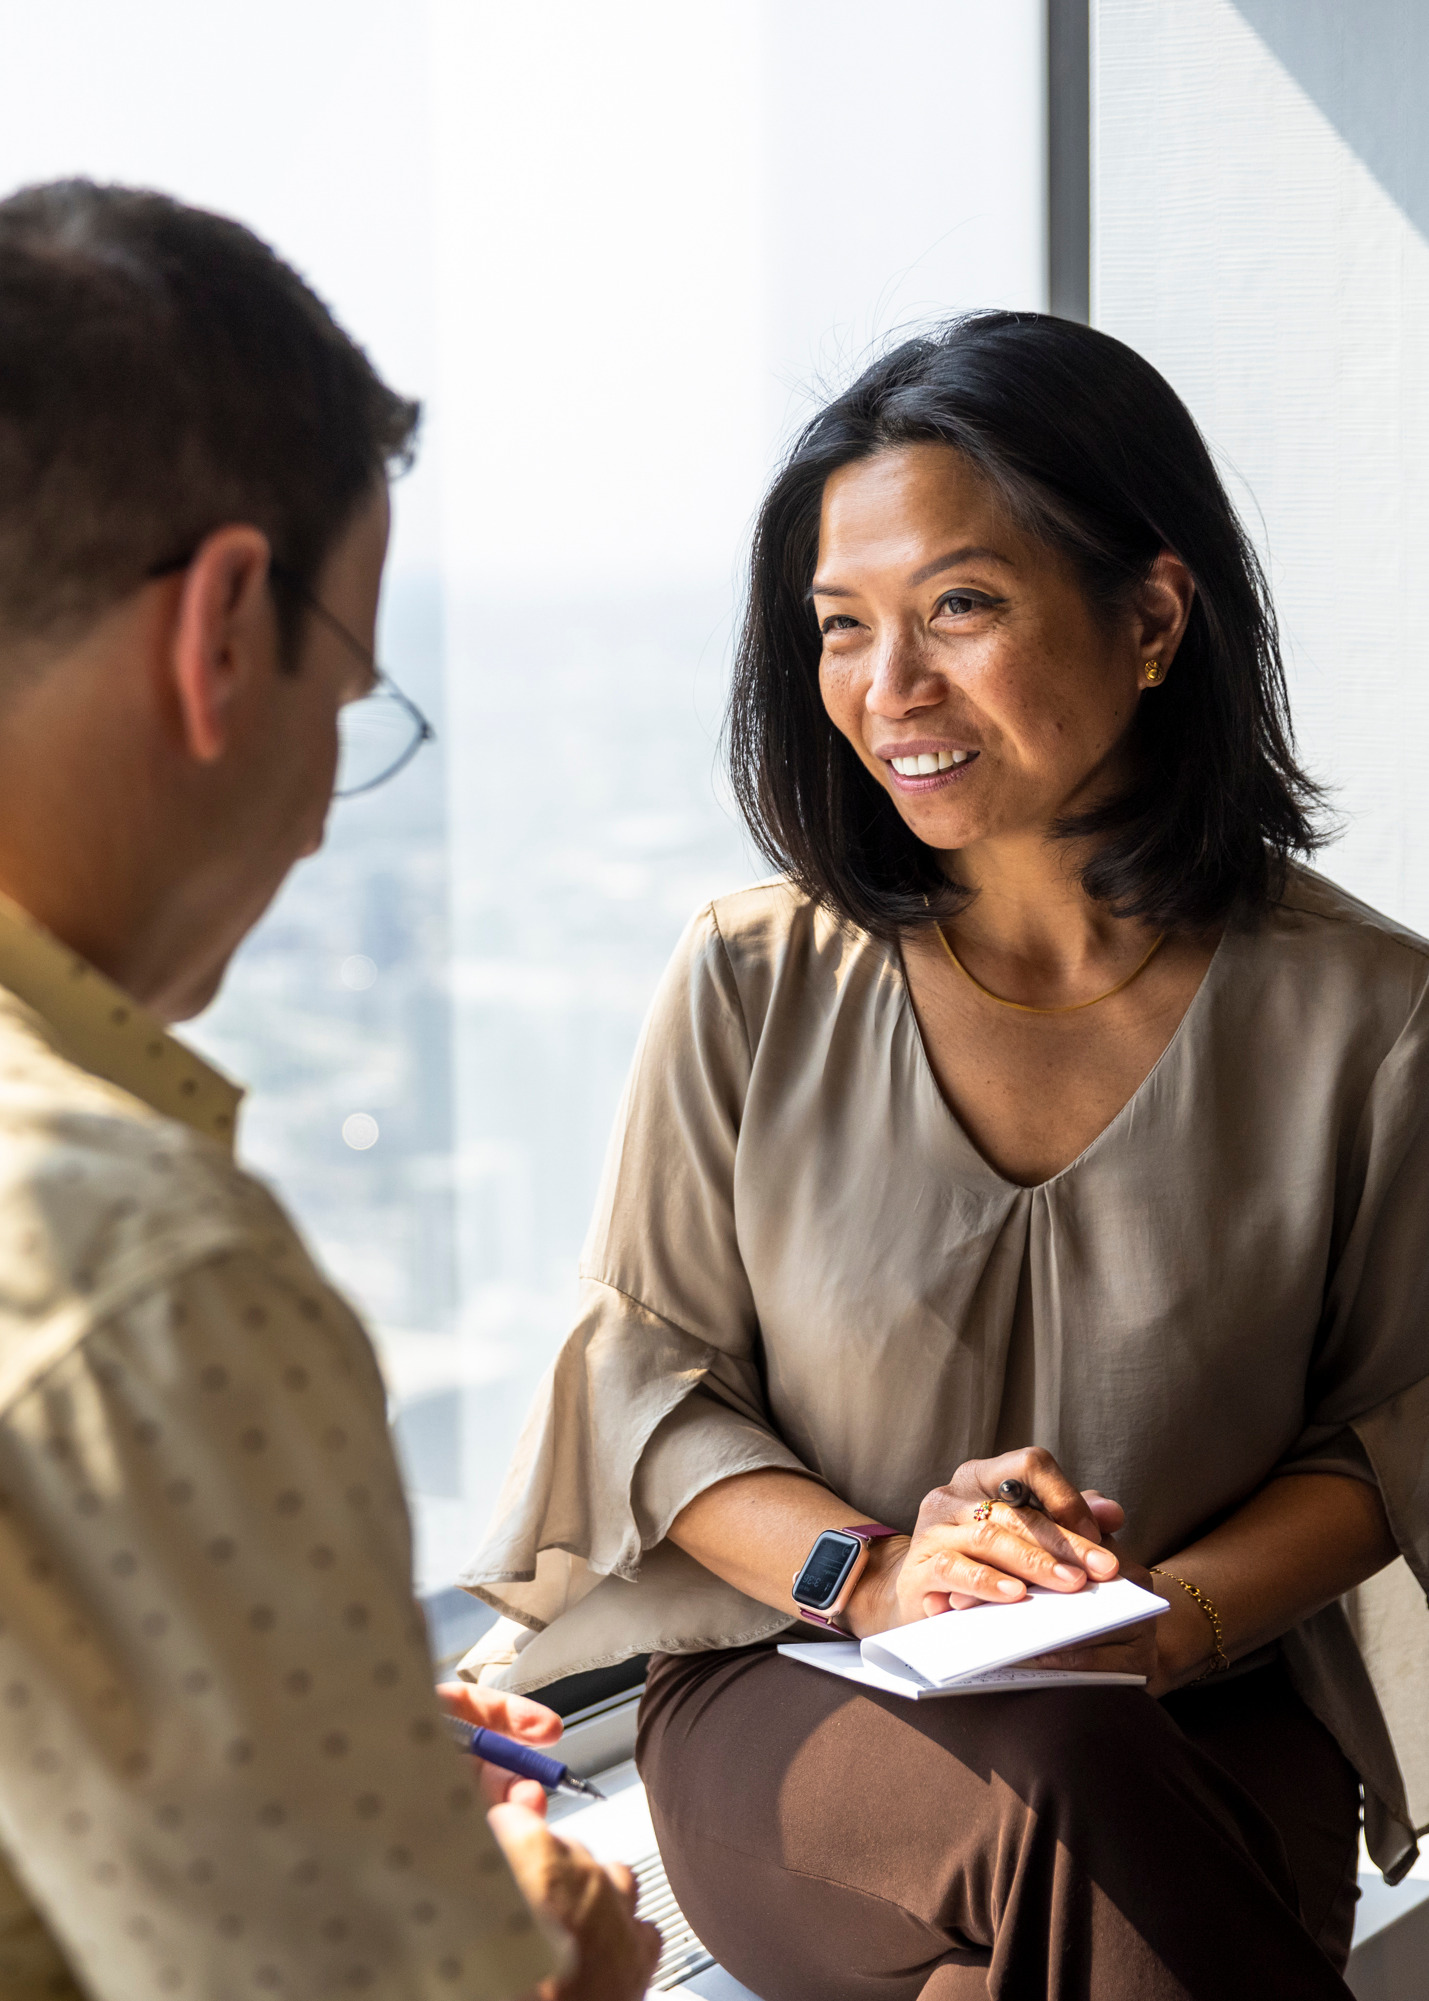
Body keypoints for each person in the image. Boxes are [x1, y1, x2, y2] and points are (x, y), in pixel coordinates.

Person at [460, 313, 1429, 2000]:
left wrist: (1159, 1620)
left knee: (1066, 1843)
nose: (887, 691)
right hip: (806, 1699)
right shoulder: (749, 977)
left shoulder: (1371, 1011)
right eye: (841, 628)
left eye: (959, 608)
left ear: (1149, 617)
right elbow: (646, 1398)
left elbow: (1394, 1434)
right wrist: (884, 1569)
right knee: (1064, 1785)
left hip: (1197, 1704)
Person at [0, 179, 658, 2001]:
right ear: (223, 629)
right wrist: (549, 1958)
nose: (318, 799)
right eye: (353, 688)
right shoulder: (141, 1269)